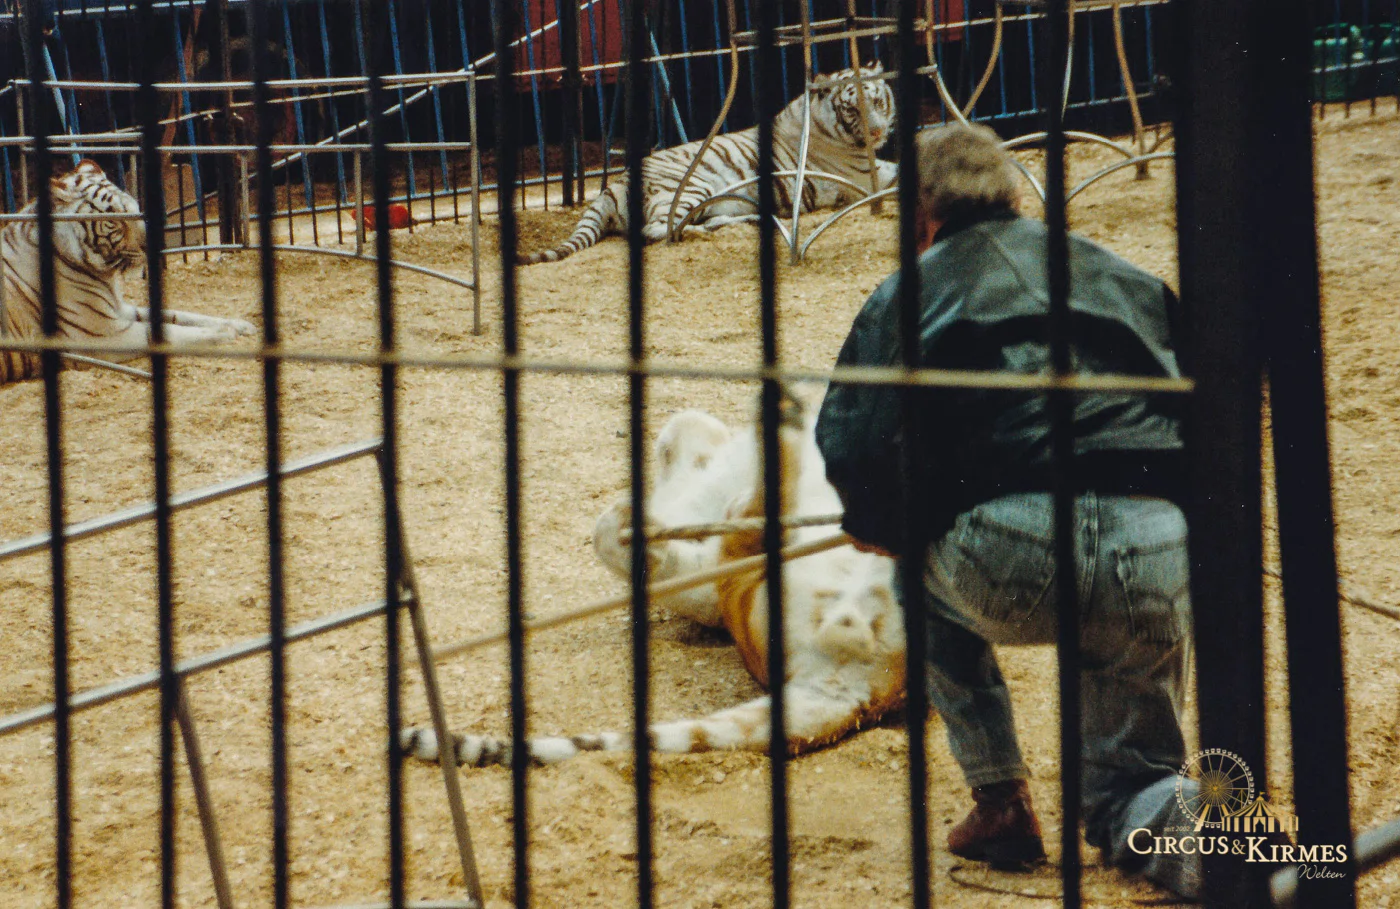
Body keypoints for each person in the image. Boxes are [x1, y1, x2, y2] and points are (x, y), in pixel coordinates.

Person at [814, 122, 1200, 899]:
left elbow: (854, 443)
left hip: (1011, 548)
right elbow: (1204, 402)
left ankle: (1000, 798)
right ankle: (1252, 853)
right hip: (1153, 539)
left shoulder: (904, 293)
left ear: (918, 214)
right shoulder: (1120, 274)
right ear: (1014, 195)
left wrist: (881, 527)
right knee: (1137, 783)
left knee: (914, 574)